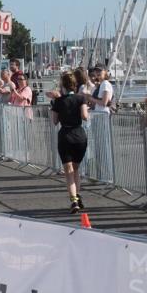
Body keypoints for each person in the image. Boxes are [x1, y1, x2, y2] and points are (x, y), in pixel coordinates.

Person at [50, 72, 89, 214]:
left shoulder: (58, 101)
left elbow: (55, 121)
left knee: (68, 171)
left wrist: (57, 107)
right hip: (79, 135)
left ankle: (74, 200)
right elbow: (85, 116)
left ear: (63, 85)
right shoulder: (81, 98)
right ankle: (77, 196)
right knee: (76, 169)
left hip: (65, 135)